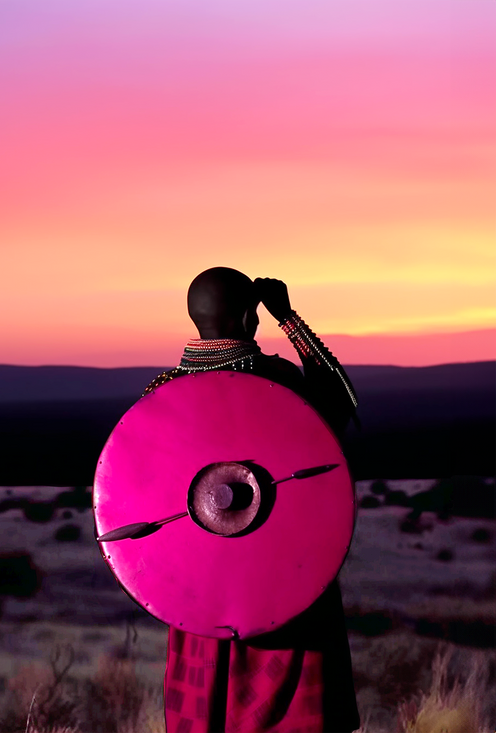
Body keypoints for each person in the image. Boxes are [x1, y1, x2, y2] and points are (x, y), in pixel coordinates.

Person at [144, 267, 360, 733]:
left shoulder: (161, 396)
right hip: (282, 586)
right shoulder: (276, 383)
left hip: (197, 595)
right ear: (248, 317)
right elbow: (341, 403)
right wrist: (288, 317)